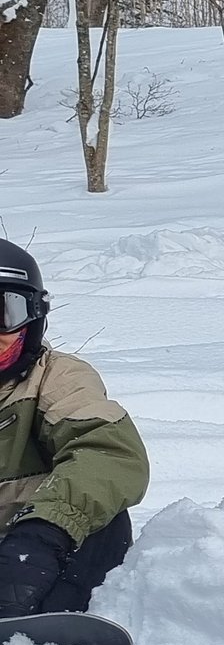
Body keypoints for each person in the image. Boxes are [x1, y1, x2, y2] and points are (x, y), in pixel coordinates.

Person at [0, 239, 149, 619]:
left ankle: (57, 637)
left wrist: (42, 536)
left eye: (2, 313)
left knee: (104, 519)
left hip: (33, 563)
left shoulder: (56, 378)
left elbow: (106, 452)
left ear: (32, 318)